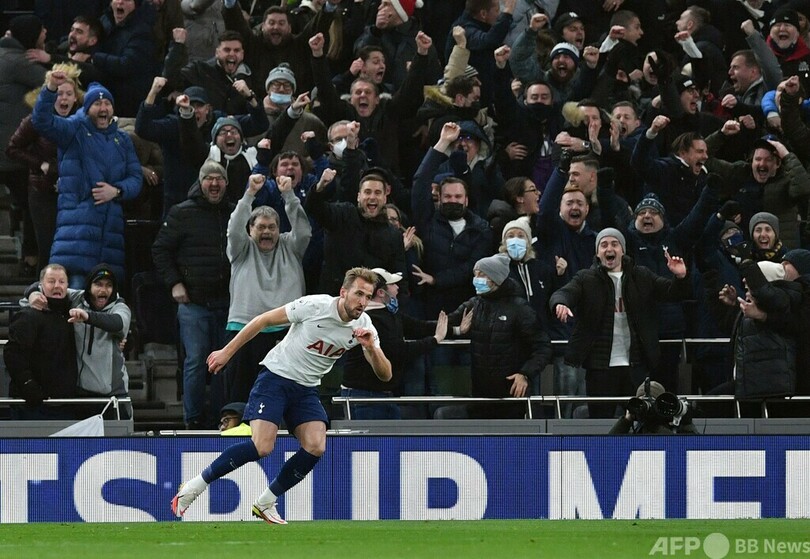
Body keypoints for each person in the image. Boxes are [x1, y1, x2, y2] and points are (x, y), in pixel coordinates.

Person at [172, 267, 391, 524]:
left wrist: (371, 348)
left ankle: (266, 502)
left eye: (367, 296)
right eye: (358, 294)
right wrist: (227, 352)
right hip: (276, 377)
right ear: (343, 292)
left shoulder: (364, 326)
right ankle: (193, 487)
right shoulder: (315, 306)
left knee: (316, 445)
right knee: (263, 446)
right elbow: (263, 321)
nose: (363, 302)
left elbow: (385, 374)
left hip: (306, 388)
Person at [549, 228, 691, 419]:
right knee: (601, 422)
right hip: (600, 368)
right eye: (604, 245)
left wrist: (680, 277)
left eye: (615, 244)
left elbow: (672, 293)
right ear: (597, 252)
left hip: (636, 366)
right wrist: (560, 304)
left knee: (640, 421)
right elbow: (564, 293)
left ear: (622, 250)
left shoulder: (640, 275)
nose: (610, 248)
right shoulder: (585, 278)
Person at [32, 73, 143, 287]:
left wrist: (117, 191)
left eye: (107, 103)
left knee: (103, 310)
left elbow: (136, 178)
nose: (103, 108)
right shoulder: (74, 130)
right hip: (76, 238)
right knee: (74, 304)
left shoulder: (123, 140)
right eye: (97, 103)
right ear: (87, 108)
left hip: (110, 238)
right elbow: (42, 121)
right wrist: (50, 89)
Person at [152, 160, 233, 429]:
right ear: (200, 182)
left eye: (219, 178)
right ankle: (193, 420)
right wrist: (174, 283)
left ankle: (224, 417)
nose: (214, 183)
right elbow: (160, 250)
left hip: (228, 304)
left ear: (226, 183)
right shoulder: (181, 213)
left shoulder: (234, 213)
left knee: (225, 363)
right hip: (194, 304)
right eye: (208, 178)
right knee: (196, 361)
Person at [224, 172, 312, 403]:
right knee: (241, 386)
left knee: (287, 385)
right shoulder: (240, 249)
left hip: (287, 327)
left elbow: (304, 230)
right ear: (250, 230)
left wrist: (289, 195)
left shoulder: (291, 246)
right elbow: (233, 229)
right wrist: (249, 194)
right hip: (244, 326)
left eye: (272, 227)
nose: (267, 232)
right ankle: (237, 426)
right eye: (261, 227)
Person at [445, 254, 552, 419]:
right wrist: (456, 330)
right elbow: (444, 323)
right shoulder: (475, 304)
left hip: (511, 395)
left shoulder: (520, 309)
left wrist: (525, 374)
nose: (476, 279)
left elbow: (543, 347)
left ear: (495, 279)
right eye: (475, 275)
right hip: (480, 395)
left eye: (482, 275)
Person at [25, 263, 132, 418]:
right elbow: (47, 287)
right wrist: (33, 294)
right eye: (98, 284)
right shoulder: (77, 298)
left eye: (109, 285)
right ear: (89, 287)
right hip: (80, 396)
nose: (103, 290)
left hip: (113, 397)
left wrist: (87, 316)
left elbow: (118, 323)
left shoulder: (120, 307)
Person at [341, 268, 447, 420]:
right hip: (363, 397)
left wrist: (456, 329)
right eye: (393, 284)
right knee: (367, 444)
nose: (398, 288)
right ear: (381, 293)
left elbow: (418, 327)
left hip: (384, 394)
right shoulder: (369, 319)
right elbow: (399, 352)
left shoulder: (389, 313)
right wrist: (435, 340)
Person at [4, 264, 78, 420]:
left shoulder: (72, 316)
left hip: (65, 405)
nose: (57, 286)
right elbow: (13, 354)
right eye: (51, 281)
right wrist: (28, 385)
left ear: (67, 286)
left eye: (61, 282)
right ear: (41, 286)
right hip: (31, 407)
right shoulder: (28, 316)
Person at [609, 380, 697, 434]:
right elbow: (607, 445)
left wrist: (686, 421)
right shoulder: (636, 429)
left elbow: (694, 447)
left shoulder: (672, 427)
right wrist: (626, 421)